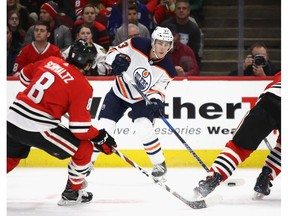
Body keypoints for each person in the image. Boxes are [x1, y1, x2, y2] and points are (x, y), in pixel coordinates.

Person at [7, 39, 118, 206]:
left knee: (10, 157)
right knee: (84, 148)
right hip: (36, 126)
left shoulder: (51, 60)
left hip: (12, 118)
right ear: (88, 64)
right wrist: (100, 137)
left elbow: (24, 77)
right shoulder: (82, 85)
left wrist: (49, 97)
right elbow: (79, 129)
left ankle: (75, 185)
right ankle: (72, 193)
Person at [91, 26, 177, 183]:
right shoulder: (136, 43)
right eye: (160, 43)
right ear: (153, 42)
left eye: (166, 44)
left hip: (141, 99)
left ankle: (159, 164)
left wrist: (156, 100)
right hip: (119, 92)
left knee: (143, 125)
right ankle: (87, 162)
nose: (163, 47)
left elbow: (158, 88)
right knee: (104, 126)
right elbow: (112, 53)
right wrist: (115, 61)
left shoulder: (169, 69)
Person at [192, 71, 281, 199]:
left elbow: (267, 93)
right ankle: (265, 178)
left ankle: (212, 180)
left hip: (269, 101)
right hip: (272, 98)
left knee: (238, 147)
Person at [161, 0, 202, 65]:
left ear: (188, 11)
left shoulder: (194, 28)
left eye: (184, 8)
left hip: (186, 62)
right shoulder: (165, 25)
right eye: (178, 8)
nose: (181, 10)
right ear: (175, 11)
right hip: (167, 60)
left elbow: (195, 50)